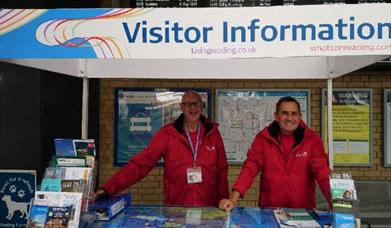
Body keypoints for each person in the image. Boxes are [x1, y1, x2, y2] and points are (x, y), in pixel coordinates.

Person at [95, 90, 229, 206]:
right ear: (182, 107)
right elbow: (141, 164)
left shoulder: (213, 134)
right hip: (176, 211)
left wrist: (223, 200)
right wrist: (108, 188)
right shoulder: (167, 134)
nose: (193, 108)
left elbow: (222, 171)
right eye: (189, 104)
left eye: (197, 104)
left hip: (209, 211)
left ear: (202, 107)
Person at [219, 96, 331, 211]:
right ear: (276, 116)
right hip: (270, 211)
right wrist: (232, 199)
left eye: (294, 114)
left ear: (300, 117)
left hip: (303, 213)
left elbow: (322, 173)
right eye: (285, 113)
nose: (289, 118)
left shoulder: (312, 140)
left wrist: (334, 202)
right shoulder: (263, 138)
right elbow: (250, 168)